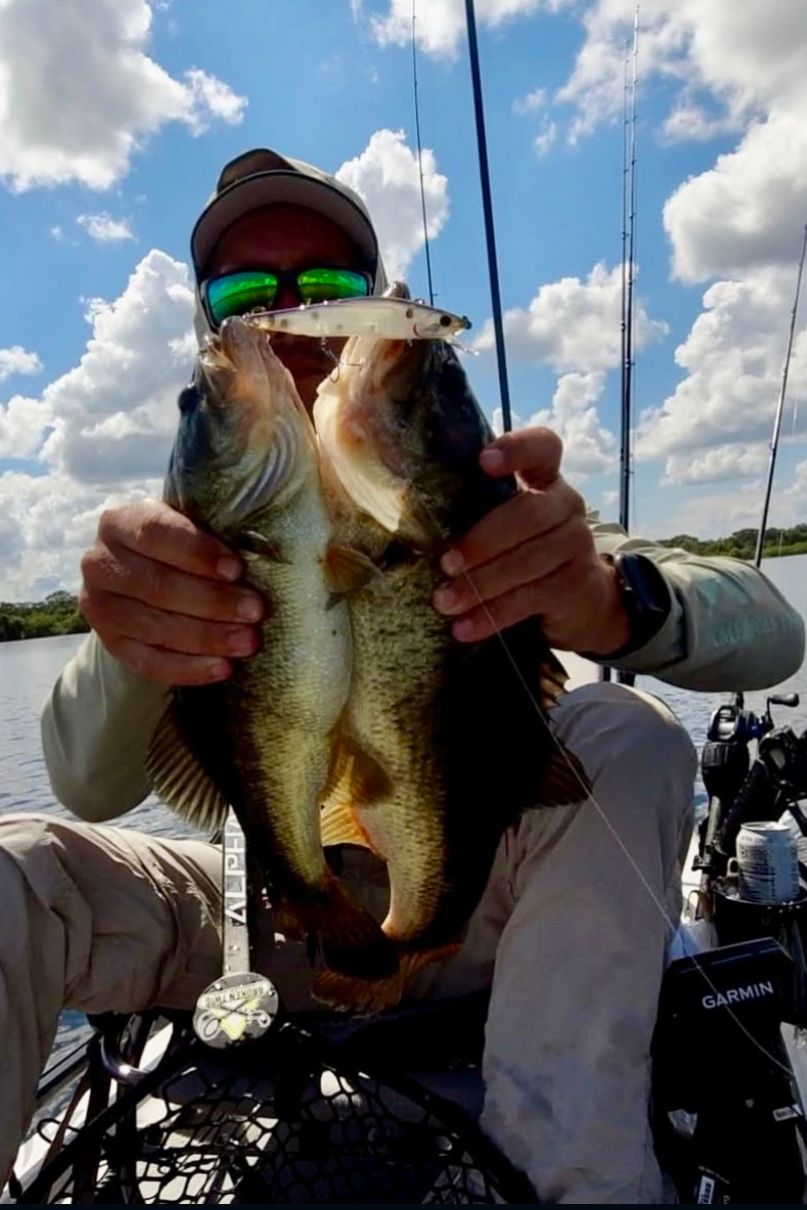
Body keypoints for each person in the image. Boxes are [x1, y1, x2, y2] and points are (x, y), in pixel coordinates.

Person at [1, 147, 803, 1203]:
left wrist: (606, 594)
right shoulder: (182, 529)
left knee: (629, 731)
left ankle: (573, 1178)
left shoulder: (467, 483)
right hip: (264, 910)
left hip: (475, 900)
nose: (289, 312)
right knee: (20, 871)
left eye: (326, 287)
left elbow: (774, 635)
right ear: (211, 328)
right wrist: (128, 636)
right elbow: (85, 784)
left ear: (377, 310)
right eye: (246, 290)